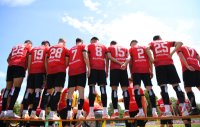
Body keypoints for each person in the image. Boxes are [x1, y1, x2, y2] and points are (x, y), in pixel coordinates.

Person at [146, 35, 188, 116]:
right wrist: (171, 53)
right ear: (160, 38)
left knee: (164, 88)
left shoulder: (152, 43)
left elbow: (147, 48)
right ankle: (184, 109)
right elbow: (180, 43)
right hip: (170, 64)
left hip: (159, 66)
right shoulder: (166, 42)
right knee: (177, 86)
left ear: (154, 40)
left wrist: (152, 59)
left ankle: (168, 111)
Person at [0, 40, 32, 118]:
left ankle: (3, 112)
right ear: (29, 43)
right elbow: (29, 58)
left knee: (7, 89)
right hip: (20, 66)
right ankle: (10, 111)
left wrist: (13, 63)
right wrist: (27, 68)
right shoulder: (28, 47)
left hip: (10, 66)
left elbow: (8, 59)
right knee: (17, 88)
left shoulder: (15, 46)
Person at [39, 38, 69, 120]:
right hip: (60, 70)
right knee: (57, 91)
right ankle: (52, 113)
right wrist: (63, 68)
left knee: (48, 92)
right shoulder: (65, 48)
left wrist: (48, 70)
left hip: (50, 71)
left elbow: (46, 60)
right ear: (64, 42)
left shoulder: (50, 48)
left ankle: (42, 112)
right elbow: (67, 61)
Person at [22, 40, 50, 119]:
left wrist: (29, 72)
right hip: (41, 72)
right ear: (46, 44)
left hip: (32, 72)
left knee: (29, 91)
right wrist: (47, 73)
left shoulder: (33, 49)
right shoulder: (46, 49)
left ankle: (25, 112)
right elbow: (46, 61)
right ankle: (33, 112)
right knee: (38, 92)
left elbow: (29, 61)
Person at [129, 40, 157, 117]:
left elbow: (130, 62)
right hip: (146, 70)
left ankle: (141, 111)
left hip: (136, 70)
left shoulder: (131, 49)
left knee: (136, 90)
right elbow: (149, 59)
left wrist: (131, 72)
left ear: (131, 44)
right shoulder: (145, 47)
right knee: (150, 89)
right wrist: (151, 70)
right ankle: (154, 111)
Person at [66, 38, 90, 120]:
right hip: (81, 70)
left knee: (70, 93)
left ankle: (69, 113)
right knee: (81, 92)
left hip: (71, 71)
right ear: (82, 42)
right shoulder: (83, 46)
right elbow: (85, 56)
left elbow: (67, 61)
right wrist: (89, 67)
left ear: (75, 42)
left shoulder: (71, 49)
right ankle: (79, 113)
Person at [86, 37, 109, 119]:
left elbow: (87, 57)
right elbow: (107, 59)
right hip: (101, 70)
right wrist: (107, 70)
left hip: (93, 69)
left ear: (91, 40)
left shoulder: (89, 45)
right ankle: (105, 113)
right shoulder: (103, 46)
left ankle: (91, 113)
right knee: (103, 90)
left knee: (92, 89)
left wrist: (88, 69)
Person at [107, 41, 130, 118]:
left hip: (114, 70)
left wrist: (120, 63)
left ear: (111, 44)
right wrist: (124, 63)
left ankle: (116, 112)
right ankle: (127, 112)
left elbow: (109, 57)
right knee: (125, 90)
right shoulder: (125, 48)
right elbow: (129, 57)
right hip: (123, 70)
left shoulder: (110, 47)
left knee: (114, 90)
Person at [177, 45, 200, 115]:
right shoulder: (193, 48)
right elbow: (198, 58)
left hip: (188, 68)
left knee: (188, 89)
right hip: (197, 69)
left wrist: (187, 65)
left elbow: (181, 55)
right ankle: (194, 108)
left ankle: (194, 108)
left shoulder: (179, 47)